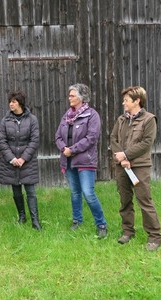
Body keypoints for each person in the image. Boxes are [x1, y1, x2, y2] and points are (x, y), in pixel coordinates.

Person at [110, 86, 161, 251]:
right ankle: (128, 231)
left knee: (144, 200)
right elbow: (113, 138)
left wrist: (125, 155)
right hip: (122, 166)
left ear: (137, 101)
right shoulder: (121, 119)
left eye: (126, 100)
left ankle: (155, 236)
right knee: (125, 200)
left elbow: (146, 143)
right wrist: (121, 158)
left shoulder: (149, 119)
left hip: (139, 166)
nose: (123, 102)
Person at [55, 83, 108, 238]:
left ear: (81, 97)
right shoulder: (67, 116)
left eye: (72, 95)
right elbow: (57, 136)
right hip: (68, 160)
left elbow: (91, 138)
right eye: (69, 95)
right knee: (75, 193)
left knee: (88, 193)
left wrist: (73, 149)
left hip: (85, 160)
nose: (69, 98)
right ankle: (77, 221)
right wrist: (64, 148)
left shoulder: (92, 115)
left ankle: (101, 224)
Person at [0, 91, 41, 230]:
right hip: (11, 163)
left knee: (31, 192)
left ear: (20, 103)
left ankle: (35, 221)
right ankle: (22, 216)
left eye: (14, 101)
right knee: (16, 191)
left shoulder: (32, 120)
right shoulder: (5, 121)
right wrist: (12, 159)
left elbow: (34, 140)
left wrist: (23, 158)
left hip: (27, 162)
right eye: (10, 101)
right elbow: (2, 141)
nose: (11, 104)